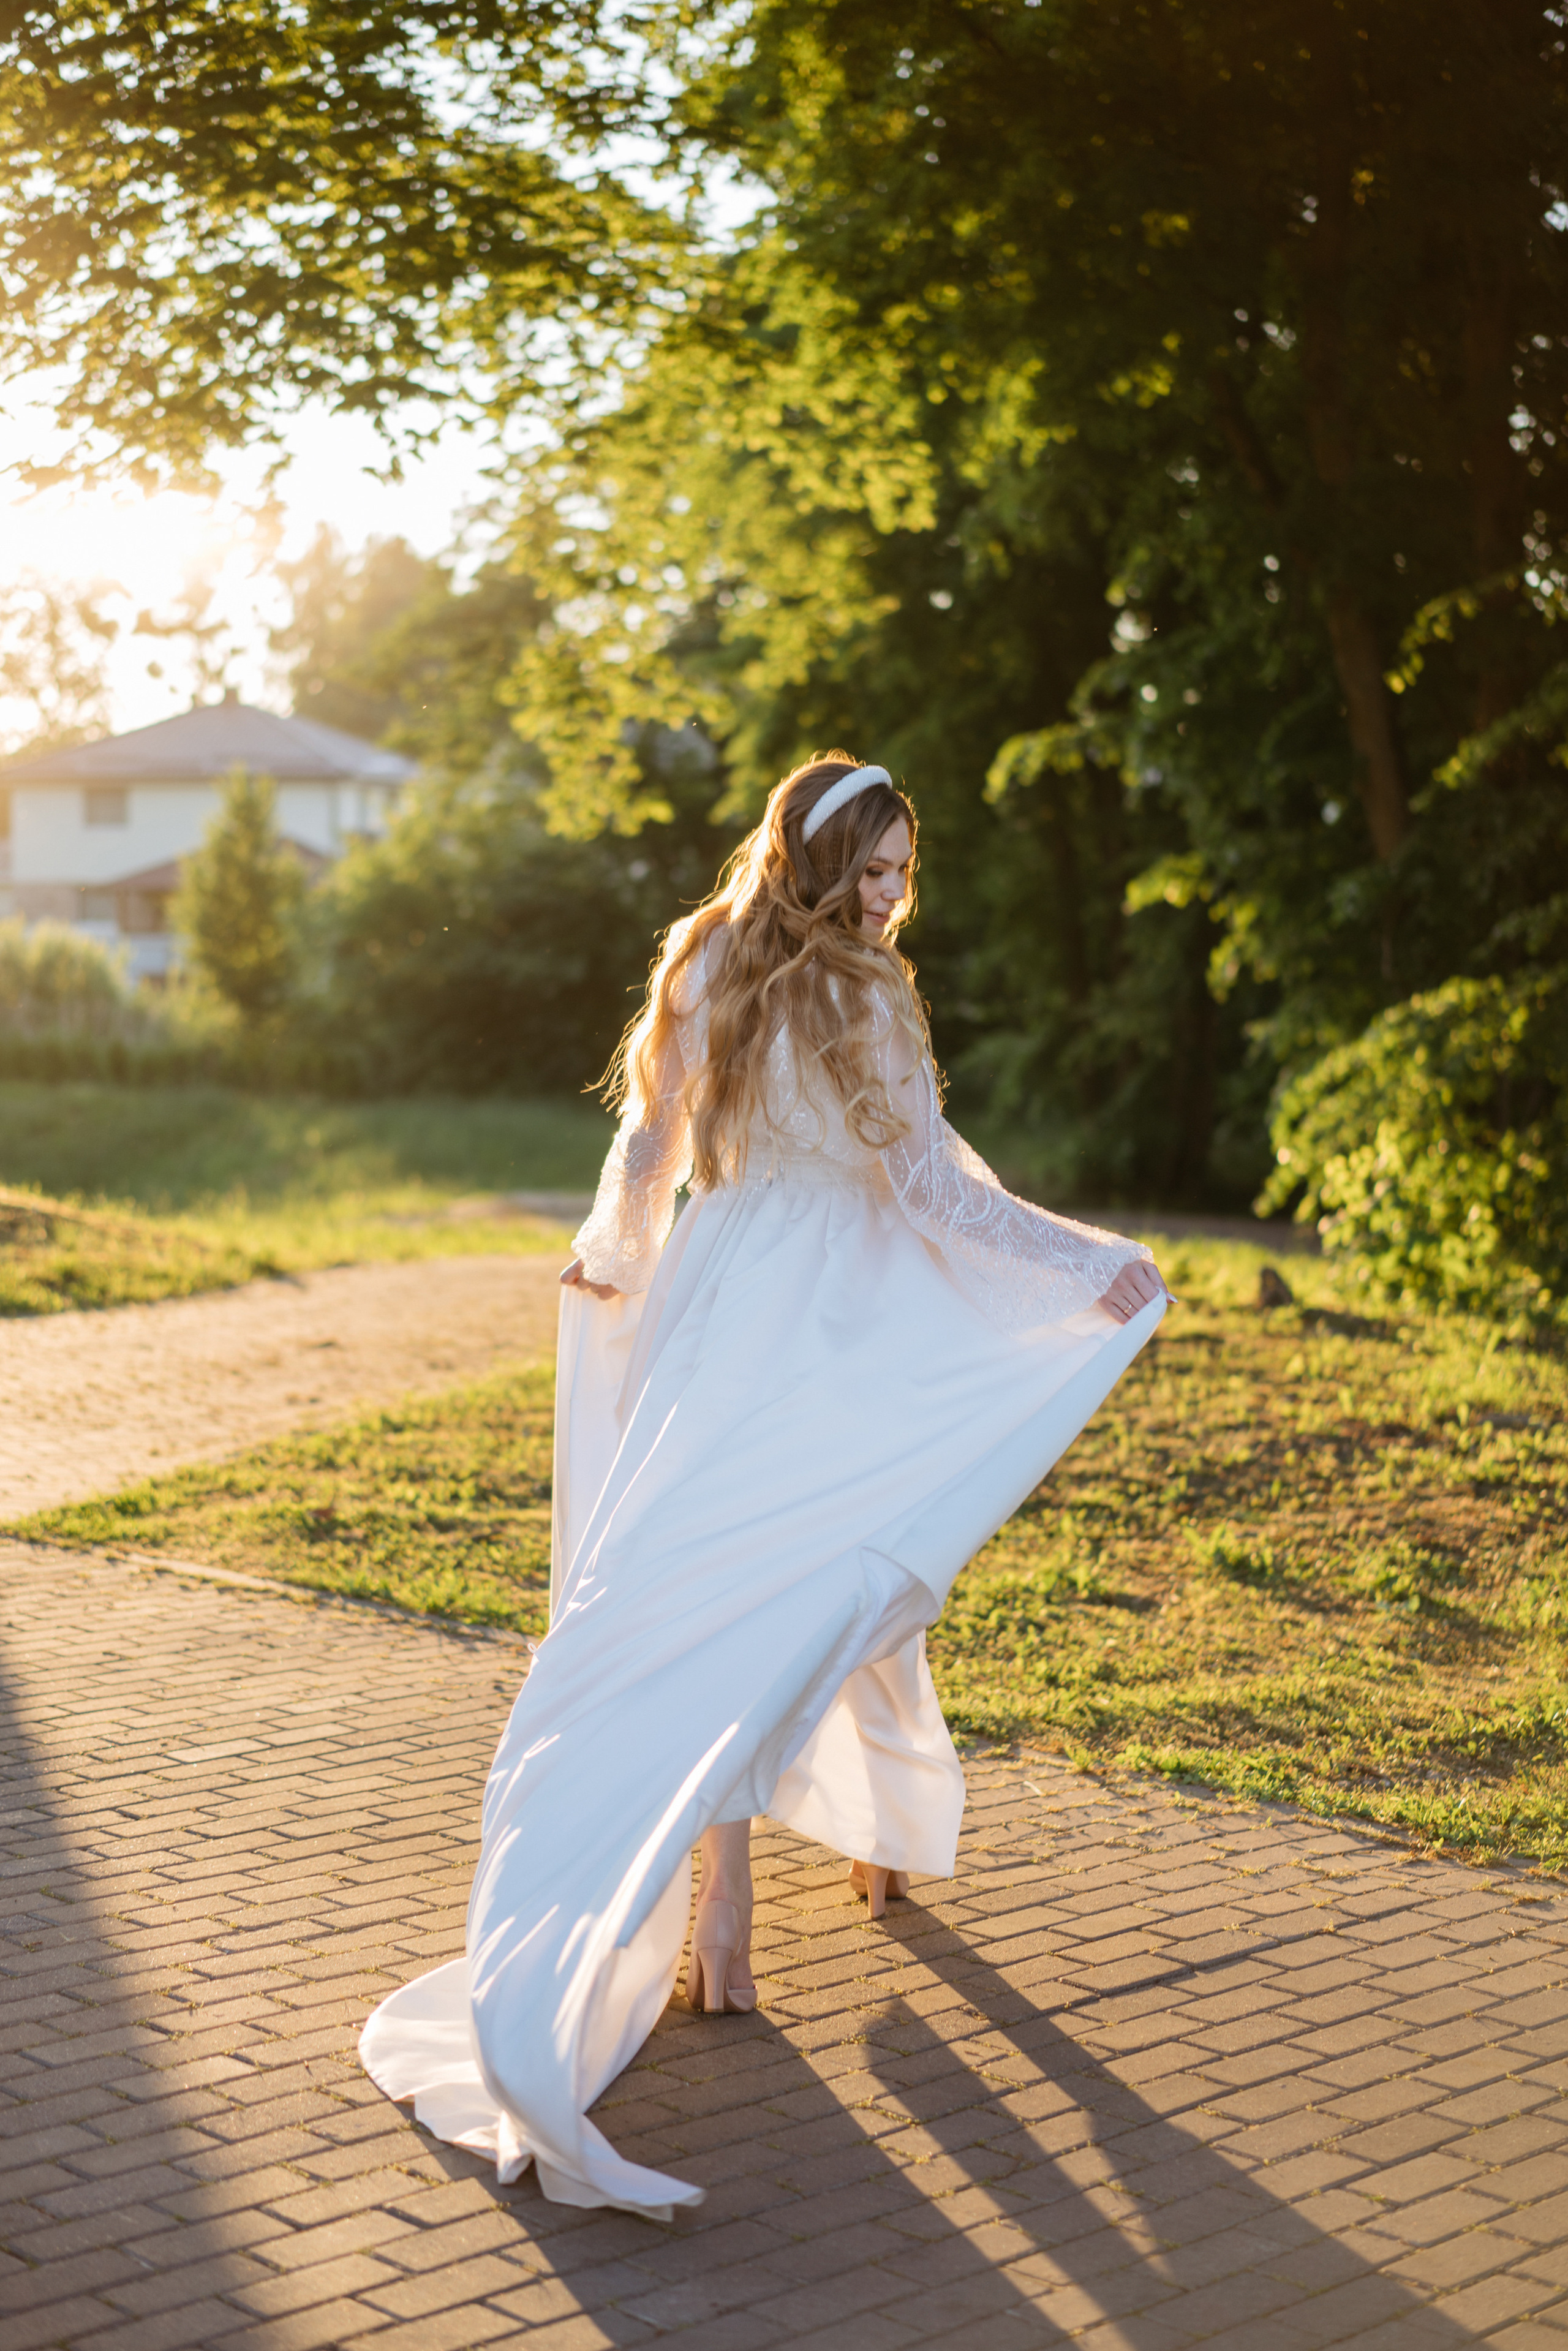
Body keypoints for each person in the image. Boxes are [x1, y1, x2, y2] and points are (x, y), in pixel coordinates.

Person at [360, 752, 1170, 2222]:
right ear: (814, 858)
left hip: (765, 1297)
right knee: (778, 1581)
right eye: (871, 869)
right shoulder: (828, 983)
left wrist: (619, 1249)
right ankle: (732, 1893)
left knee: (790, 1575)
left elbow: (677, 1149)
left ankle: (848, 1837)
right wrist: (1085, 1263)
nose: (891, 896)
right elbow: (904, 1184)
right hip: (796, 1314)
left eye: (902, 871)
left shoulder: (745, 963)